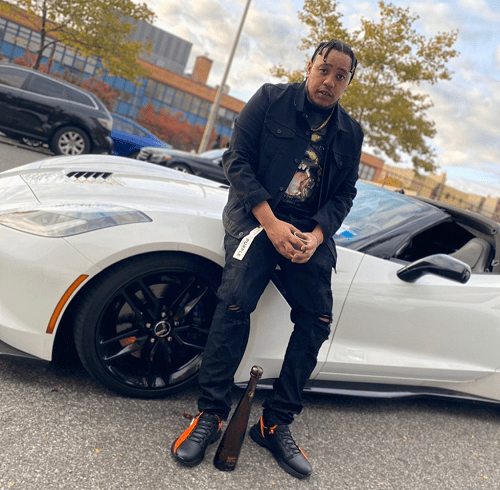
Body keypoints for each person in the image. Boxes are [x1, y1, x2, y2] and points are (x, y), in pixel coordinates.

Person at [171, 39, 364, 479]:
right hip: (257, 215)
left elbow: (344, 194)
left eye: (340, 76)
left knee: (317, 318)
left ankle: (274, 422)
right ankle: (211, 413)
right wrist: (271, 224)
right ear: (309, 66)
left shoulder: (350, 133)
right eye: (324, 70)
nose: (329, 81)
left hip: (307, 228)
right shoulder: (270, 100)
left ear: (348, 82)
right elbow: (236, 160)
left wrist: (317, 236)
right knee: (235, 301)